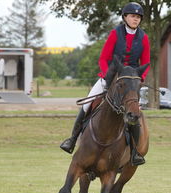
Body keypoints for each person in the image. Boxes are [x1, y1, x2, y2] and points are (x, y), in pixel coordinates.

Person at [60, 2, 150, 166]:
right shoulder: (115, 34)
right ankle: (72, 140)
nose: (135, 19)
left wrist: (139, 78)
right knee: (87, 103)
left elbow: (146, 62)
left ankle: (135, 152)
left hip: (131, 82)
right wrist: (106, 76)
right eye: (132, 16)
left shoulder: (143, 38)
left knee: (136, 113)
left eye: (138, 17)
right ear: (125, 17)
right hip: (111, 76)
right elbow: (103, 58)